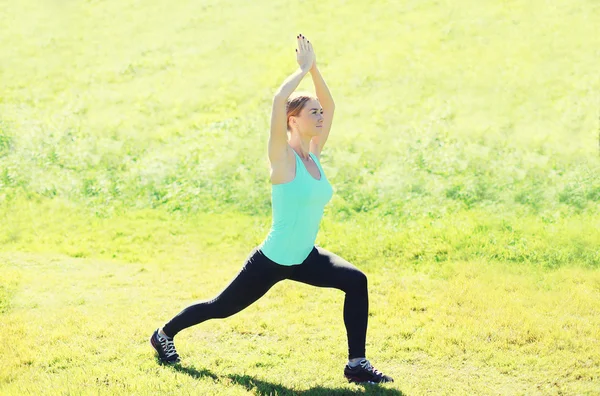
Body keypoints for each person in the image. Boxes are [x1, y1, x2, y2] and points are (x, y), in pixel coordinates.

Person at [150, 34, 393, 384]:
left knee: (356, 281)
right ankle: (164, 334)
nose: (322, 116)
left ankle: (357, 364)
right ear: (292, 120)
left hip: (306, 257)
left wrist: (316, 69)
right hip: (273, 259)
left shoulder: (314, 155)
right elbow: (279, 99)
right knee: (220, 307)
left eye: (321, 113)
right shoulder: (282, 159)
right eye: (314, 113)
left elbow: (332, 105)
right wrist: (302, 71)